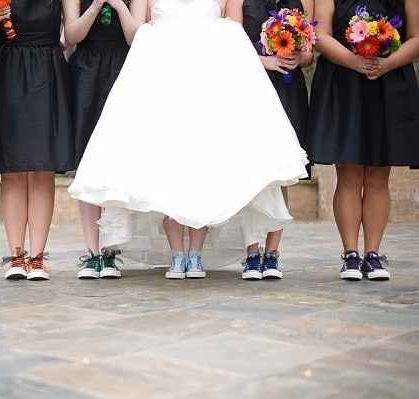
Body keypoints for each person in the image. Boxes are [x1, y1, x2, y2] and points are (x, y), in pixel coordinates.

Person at [69, 0, 309, 279]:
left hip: (206, 85)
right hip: (162, 83)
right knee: (167, 169)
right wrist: (124, 11)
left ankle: (198, 254)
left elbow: (234, 35)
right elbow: (137, 35)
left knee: (201, 168)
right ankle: (175, 253)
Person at [307, 0, 419, 281]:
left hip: (390, 83)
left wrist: (388, 63)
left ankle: (373, 254)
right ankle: (351, 255)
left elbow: (416, 38)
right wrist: (356, 62)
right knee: (349, 174)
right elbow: (320, 33)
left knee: (380, 175)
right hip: (343, 82)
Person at [0, 0, 76, 281]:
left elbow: (70, 34)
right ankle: (16, 255)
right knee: (12, 169)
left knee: (43, 168)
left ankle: (38, 256)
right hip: (7, 74)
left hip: (48, 70)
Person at [226, 0, 314, 280]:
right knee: (248, 171)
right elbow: (229, 41)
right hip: (249, 85)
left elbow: (310, 51)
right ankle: (251, 253)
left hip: (288, 86)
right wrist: (265, 61)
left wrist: (299, 57)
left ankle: (273, 253)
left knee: (282, 170)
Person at [64, 0, 147, 279]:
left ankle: (110, 249)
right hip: (86, 74)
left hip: (124, 72)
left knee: (115, 161)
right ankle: (92, 252)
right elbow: (71, 35)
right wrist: (97, 4)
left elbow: (136, 37)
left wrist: (120, 7)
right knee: (87, 164)